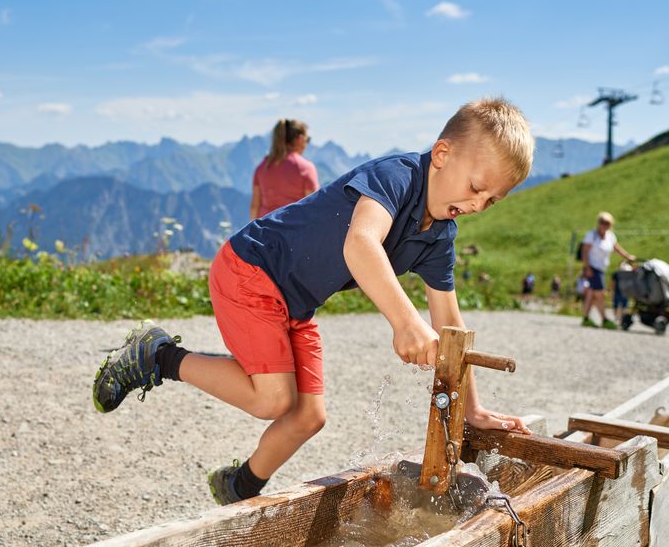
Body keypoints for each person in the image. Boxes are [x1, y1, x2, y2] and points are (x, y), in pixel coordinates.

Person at [93, 98, 534, 505]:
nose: (478, 204)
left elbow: (451, 324)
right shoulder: (397, 176)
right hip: (251, 270)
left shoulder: (439, 237)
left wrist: (473, 409)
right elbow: (360, 244)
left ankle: (238, 485)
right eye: (477, 187)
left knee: (308, 416)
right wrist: (405, 322)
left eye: (491, 200)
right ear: (442, 154)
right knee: (271, 400)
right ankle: (159, 355)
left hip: (295, 303)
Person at [249, 119, 319, 220]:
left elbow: (255, 208)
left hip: (264, 232)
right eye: (307, 140)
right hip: (294, 231)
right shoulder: (305, 168)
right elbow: (314, 207)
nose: (307, 144)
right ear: (300, 138)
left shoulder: (262, 168)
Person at [580, 212, 636, 329]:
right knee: (600, 294)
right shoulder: (592, 235)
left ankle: (586, 318)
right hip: (593, 268)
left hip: (601, 268)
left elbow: (616, 248)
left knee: (591, 294)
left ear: (611, 225)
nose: (604, 225)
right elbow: (584, 252)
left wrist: (627, 256)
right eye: (602, 222)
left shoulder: (610, 236)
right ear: (598, 223)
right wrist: (587, 268)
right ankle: (604, 319)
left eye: (607, 223)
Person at [612, 262, 633, 326]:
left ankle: (618, 319)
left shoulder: (617, 273)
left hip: (620, 292)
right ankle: (620, 319)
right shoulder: (628, 274)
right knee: (623, 306)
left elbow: (613, 282)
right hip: (623, 292)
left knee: (618, 306)